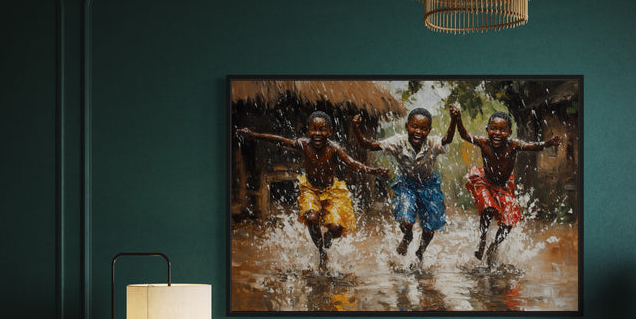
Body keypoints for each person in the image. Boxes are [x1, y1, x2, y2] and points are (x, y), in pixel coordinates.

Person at [236, 111, 390, 271]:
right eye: (313, 129)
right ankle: (322, 252)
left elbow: (353, 164)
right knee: (311, 218)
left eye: (322, 129)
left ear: (329, 131)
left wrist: (374, 171)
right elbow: (280, 140)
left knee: (336, 228)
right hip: (311, 190)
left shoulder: (334, 149)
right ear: (308, 130)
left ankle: (328, 237)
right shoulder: (304, 144)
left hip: (332, 192)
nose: (317, 134)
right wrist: (253, 134)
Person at [452, 106, 561, 266]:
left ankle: (494, 247)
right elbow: (464, 135)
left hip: (503, 187)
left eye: (502, 130)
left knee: (509, 222)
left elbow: (533, 146)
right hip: (485, 183)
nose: (497, 133)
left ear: (509, 133)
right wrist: (457, 118)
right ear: (487, 129)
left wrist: (548, 143)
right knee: (488, 208)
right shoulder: (483, 143)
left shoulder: (513, 145)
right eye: (493, 129)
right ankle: (482, 241)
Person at [351, 106, 456, 262]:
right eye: (414, 126)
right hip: (408, 185)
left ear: (429, 130)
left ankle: (420, 251)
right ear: (407, 126)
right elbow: (369, 146)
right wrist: (356, 129)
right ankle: (407, 237)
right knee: (406, 221)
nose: (418, 132)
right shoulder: (398, 142)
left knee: (429, 229)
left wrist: (454, 120)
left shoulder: (433, 143)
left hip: (429, 186)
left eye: (424, 128)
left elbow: (447, 139)